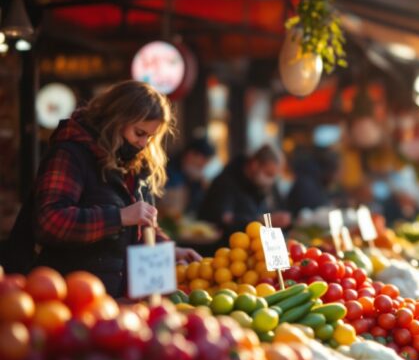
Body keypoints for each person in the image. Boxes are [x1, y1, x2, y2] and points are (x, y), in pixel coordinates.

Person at [1, 81, 200, 297]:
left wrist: (167, 250)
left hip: (115, 301)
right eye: (139, 132)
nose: (143, 144)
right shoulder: (71, 154)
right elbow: (50, 221)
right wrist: (119, 217)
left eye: (149, 137)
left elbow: (138, 226)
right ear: (116, 120)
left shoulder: (132, 164)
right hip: (67, 297)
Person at [198, 144, 290, 237]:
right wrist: (263, 220)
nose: (271, 181)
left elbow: (273, 211)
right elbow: (224, 219)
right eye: (268, 174)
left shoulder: (262, 186)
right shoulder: (226, 181)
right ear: (255, 165)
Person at [163, 137, 216, 217]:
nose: (203, 166)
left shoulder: (195, 178)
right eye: (202, 161)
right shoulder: (169, 170)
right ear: (190, 154)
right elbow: (174, 206)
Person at [285, 146, 342, 216]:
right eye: (338, 172)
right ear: (329, 171)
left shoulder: (317, 182)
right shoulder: (306, 183)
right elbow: (315, 211)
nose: (340, 176)